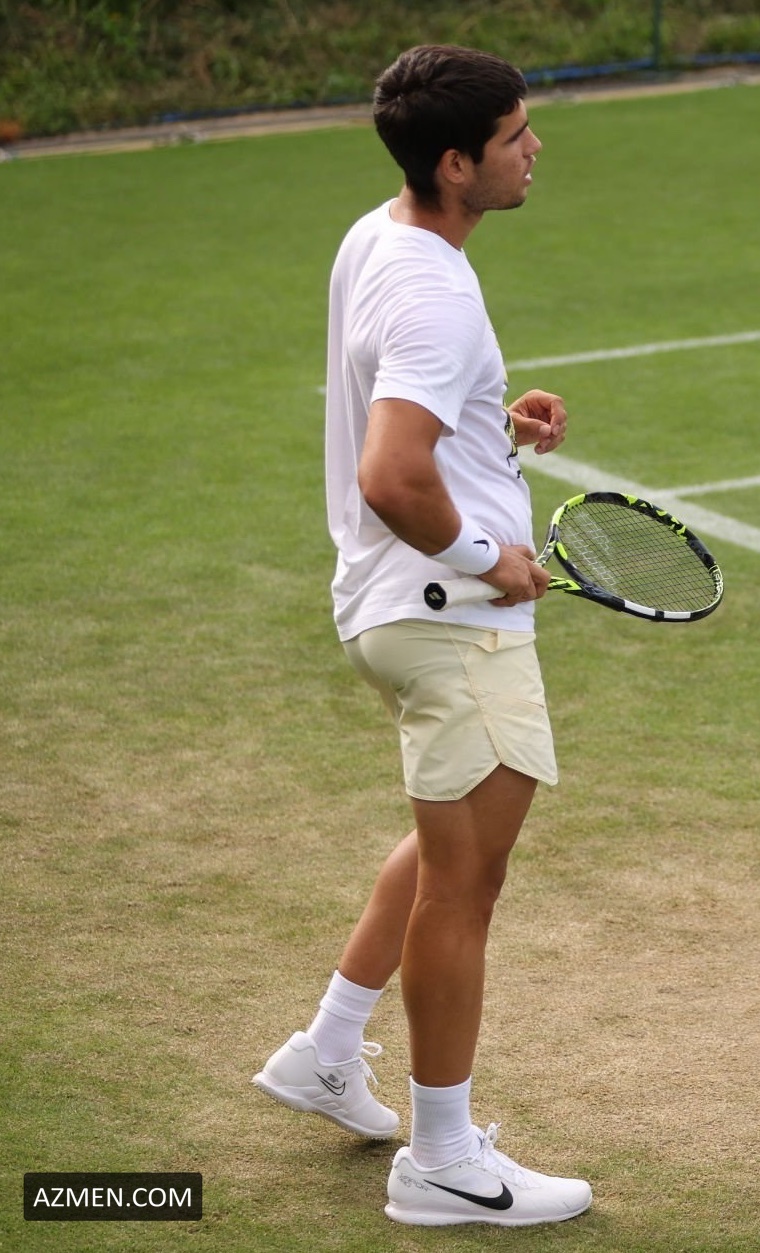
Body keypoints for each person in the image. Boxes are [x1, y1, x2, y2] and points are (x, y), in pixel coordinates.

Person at [252, 44, 592, 1228]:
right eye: (512, 135)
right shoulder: (438, 293)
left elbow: (399, 407)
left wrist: (488, 423)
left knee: (445, 848)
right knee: (465, 884)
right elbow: (393, 472)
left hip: (390, 609)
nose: (534, 147)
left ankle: (326, 1049)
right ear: (455, 163)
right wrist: (486, 555)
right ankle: (441, 1158)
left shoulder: (381, 236)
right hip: (449, 619)